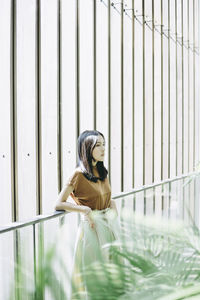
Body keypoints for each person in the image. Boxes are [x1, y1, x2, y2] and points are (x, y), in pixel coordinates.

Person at [55, 130, 118, 296]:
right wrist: (83, 209)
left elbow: (104, 195)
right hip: (92, 230)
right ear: (87, 148)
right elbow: (59, 203)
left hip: (108, 227)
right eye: (98, 145)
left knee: (112, 277)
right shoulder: (78, 174)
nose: (103, 149)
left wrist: (110, 202)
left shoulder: (102, 171)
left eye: (104, 144)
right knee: (93, 278)